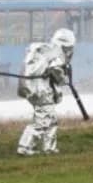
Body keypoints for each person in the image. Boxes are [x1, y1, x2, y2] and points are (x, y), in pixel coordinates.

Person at [16, 28, 76, 156]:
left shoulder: (43, 50)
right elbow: (55, 68)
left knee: (51, 119)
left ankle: (49, 148)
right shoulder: (57, 52)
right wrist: (63, 80)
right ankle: (25, 147)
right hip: (41, 90)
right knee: (42, 120)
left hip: (32, 88)